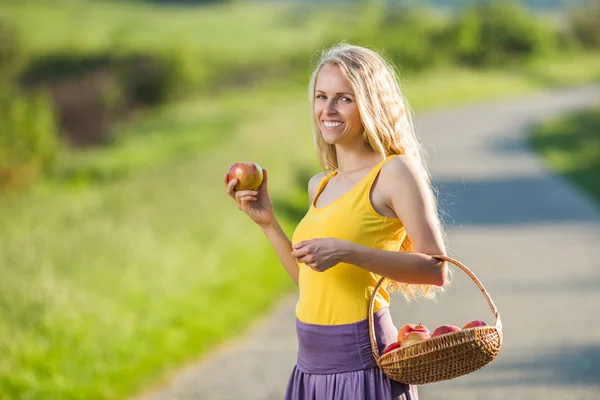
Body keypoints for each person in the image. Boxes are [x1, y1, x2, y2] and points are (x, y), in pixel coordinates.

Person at [224, 43, 448, 400]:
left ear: (370, 105)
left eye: (344, 98)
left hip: (363, 362)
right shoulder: (320, 184)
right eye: (321, 96)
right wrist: (268, 223)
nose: (327, 109)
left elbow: (436, 269)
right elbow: (309, 281)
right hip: (310, 366)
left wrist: (349, 252)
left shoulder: (393, 172)